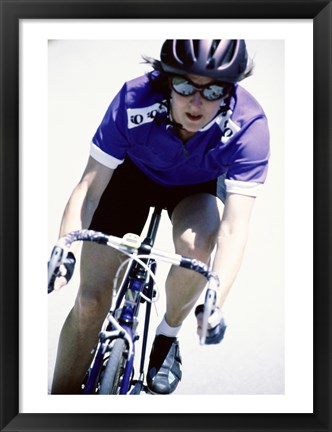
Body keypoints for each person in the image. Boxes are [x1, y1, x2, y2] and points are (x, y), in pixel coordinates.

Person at [50, 39, 270, 395]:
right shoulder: (134, 99)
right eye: (184, 85)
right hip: (130, 179)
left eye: (213, 90)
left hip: (196, 188)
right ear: (166, 79)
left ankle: (167, 335)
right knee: (89, 303)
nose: (196, 102)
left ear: (230, 91)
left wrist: (216, 302)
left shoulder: (249, 125)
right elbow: (88, 191)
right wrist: (65, 250)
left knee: (197, 249)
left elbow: (234, 229)